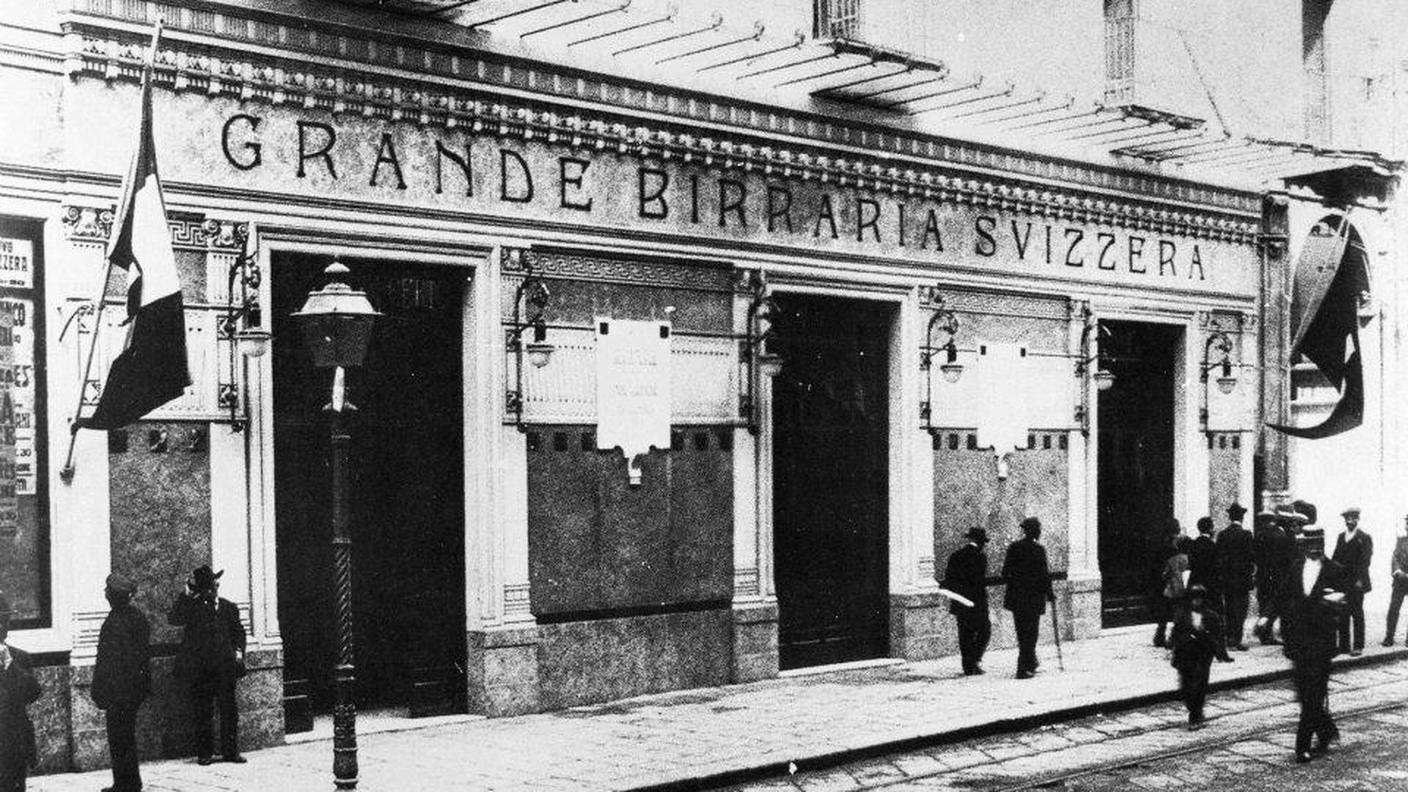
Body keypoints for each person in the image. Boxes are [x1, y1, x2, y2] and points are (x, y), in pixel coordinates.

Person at [169, 565, 247, 765]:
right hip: (201, 671)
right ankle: (205, 753)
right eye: (206, 587)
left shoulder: (229, 607)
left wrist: (238, 653)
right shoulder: (193, 607)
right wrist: (186, 595)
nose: (211, 590)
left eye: (213, 585)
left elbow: (238, 633)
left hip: (225, 668)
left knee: (229, 710)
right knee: (203, 711)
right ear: (200, 588)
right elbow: (174, 618)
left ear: (217, 585)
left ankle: (231, 752)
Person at [1282, 524, 1347, 764]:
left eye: (1319, 544)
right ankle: (1327, 730)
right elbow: (1282, 594)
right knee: (1303, 693)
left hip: (1321, 642)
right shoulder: (1296, 567)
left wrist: (1332, 606)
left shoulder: (1335, 569)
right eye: (1311, 544)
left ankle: (1302, 747)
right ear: (1304, 545)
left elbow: (1345, 605)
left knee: (1312, 695)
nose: (1315, 549)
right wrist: (1266, 617)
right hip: (1299, 641)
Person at [93, 574, 151, 792]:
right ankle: (129, 782)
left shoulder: (114, 622)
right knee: (125, 737)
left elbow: (108, 662)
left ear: (112, 596)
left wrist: (100, 690)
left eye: (107, 591)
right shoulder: (138, 618)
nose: (105, 593)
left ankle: (125, 784)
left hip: (119, 692)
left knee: (119, 738)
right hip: (133, 691)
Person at [1170, 584, 1233, 730]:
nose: (1196, 602)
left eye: (1199, 599)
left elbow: (1218, 637)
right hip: (1185, 655)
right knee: (1185, 684)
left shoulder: (1211, 616)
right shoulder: (1183, 615)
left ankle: (1195, 714)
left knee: (1199, 684)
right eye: (1194, 599)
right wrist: (1173, 647)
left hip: (1203, 655)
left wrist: (1221, 653)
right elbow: (1176, 633)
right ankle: (1193, 707)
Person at [1002, 517, 1054, 679]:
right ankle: (1022, 667)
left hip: (1017, 599)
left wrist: (1016, 584)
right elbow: (1044, 575)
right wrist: (1049, 594)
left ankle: (1030, 661)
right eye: (1038, 529)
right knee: (1031, 633)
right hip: (1033, 598)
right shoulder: (1039, 550)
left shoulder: (1014, 548)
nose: (1039, 532)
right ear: (1034, 531)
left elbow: (1005, 573)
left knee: (1022, 632)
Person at [0, 592, 42, 792]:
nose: (1, 627)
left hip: (13, 748)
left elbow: (33, 693)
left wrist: (10, 665)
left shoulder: (19, 658)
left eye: (4, 621)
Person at [941, 527, 991, 675]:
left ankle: (967, 665)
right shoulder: (980, 557)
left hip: (960, 601)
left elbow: (949, 579)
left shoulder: (955, 556)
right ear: (980, 542)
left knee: (965, 633)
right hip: (976, 602)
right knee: (984, 630)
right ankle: (974, 660)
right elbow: (979, 582)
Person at [1252, 507, 1297, 645]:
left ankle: (1265, 634)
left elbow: (1256, 556)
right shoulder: (1281, 535)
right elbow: (1287, 558)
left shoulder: (1259, 535)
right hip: (1278, 576)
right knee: (1280, 605)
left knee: (1264, 603)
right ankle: (1281, 633)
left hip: (1263, 576)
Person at [1331, 506, 1372, 656]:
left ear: (1357, 519)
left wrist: (1360, 580)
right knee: (1343, 612)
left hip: (1356, 582)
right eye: (1347, 519)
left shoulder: (1364, 537)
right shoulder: (1341, 537)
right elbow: (1336, 558)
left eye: (1353, 518)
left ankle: (1358, 645)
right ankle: (1343, 646)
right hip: (1342, 581)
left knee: (1357, 613)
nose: (1350, 521)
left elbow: (1366, 561)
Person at [1217, 503, 1256, 650]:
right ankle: (1237, 639)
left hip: (1227, 579)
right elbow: (1252, 557)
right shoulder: (1246, 535)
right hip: (1242, 579)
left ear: (1230, 517)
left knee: (1229, 608)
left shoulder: (1222, 534)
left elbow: (1219, 558)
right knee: (1241, 609)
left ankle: (1229, 638)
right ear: (1242, 517)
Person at [1150, 519, 1182, 648]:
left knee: (1163, 611)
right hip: (1172, 582)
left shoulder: (1159, 545)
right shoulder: (1175, 547)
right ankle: (1173, 638)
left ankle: (1160, 636)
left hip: (1161, 581)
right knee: (1176, 610)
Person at [1383, 515, 1408, 646]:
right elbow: (1395, 557)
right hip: (1400, 581)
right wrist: (1398, 571)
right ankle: (1389, 637)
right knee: (1393, 609)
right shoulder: (1401, 541)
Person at [1187, 517, 1220, 605]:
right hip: (1209, 582)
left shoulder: (1193, 544)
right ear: (1210, 529)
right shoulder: (1212, 545)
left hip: (1195, 580)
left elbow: (1190, 563)